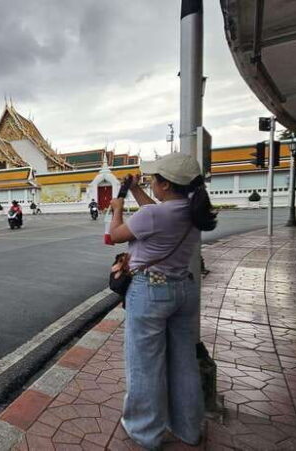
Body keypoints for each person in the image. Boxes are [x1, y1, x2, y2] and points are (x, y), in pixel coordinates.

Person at [107, 153, 217, 450]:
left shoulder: (154, 216)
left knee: (144, 364)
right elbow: (155, 212)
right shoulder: (193, 211)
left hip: (150, 292)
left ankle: (145, 432)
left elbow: (114, 236)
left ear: (166, 184)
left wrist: (117, 208)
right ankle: (188, 427)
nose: (151, 182)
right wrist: (135, 191)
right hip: (184, 291)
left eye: (154, 179)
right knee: (183, 361)